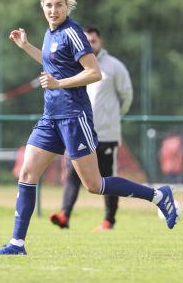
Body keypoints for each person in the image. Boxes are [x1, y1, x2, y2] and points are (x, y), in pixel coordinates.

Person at [0, 0, 177, 255]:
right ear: (42, 6)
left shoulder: (72, 32)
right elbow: (53, 63)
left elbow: (94, 72)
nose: (54, 10)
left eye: (59, 5)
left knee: (94, 184)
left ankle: (159, 196)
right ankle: (17, 243)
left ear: (67, 6)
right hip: (50, 116)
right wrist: (27, 46)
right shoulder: (50, 33)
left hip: (74, 116)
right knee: (27, 173)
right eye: (49, 5)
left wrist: (59, 84)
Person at [49, 26, 133, 231]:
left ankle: (109, 220)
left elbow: (127, 96)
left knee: (106, 177)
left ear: (100, 42)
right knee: (73, 175)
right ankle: (65, 215)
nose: (90, 45)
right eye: (86, 41)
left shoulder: (114, 66)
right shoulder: (74, 65)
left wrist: (112, 118)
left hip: (105, 134)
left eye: (93, 41)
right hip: (79, 131)